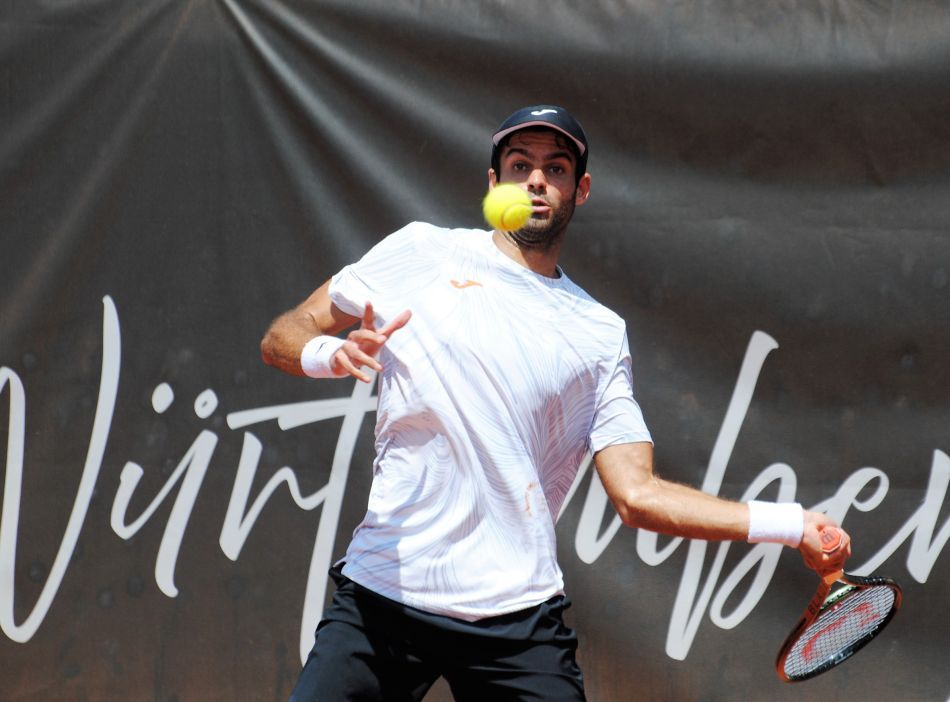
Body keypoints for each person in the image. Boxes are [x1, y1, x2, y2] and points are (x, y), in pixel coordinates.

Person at [260, 105, 851, 702]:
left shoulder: (598, 333)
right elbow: (285, 333)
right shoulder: (421, 252)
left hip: (516, 621)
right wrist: (327, 355)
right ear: (495, 185)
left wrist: (792, 523)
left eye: (556, 167)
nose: (536, 180)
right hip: (384, 598)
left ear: (580, 189)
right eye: (520, 165)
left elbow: (638, 497)